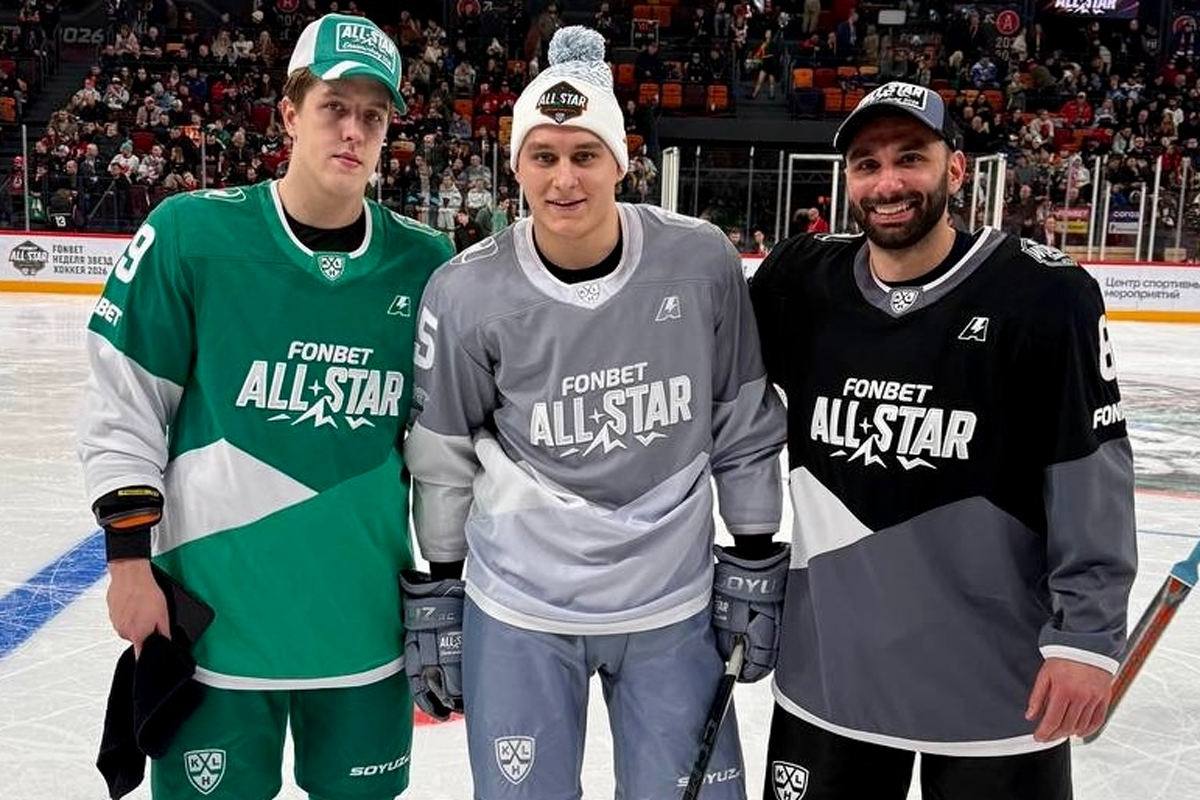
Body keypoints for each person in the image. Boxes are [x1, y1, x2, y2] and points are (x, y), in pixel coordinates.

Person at [402, 26, 788, 800]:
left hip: (673, 602)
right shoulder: (466, 288)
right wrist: (441, 586)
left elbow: (740, 417)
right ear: (516, 166)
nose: (564, 178)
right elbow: (443, 455)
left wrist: (752, 551)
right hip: (519, 605)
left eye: (585, 154)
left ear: (621, 160)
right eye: (543, 156)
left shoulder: (700, 259)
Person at [78, 14, 453, 800]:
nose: (353, 131)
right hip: (219, 629)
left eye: (373, 116)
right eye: (333, 107)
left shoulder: (426, 263)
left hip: (362, 627)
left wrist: (456, 579)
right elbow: (124, 403)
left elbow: (445, 446)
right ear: (289, 113)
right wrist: (128, 562)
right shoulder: (191, 235)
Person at [748, 82, 1138, 800]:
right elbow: (717, 395)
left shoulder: (1044, 297)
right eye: (867, 164)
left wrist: (1087, 634)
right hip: (832, 676)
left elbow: (1091, 469)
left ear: (955, 169)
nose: (887, 184)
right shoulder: (799, 282)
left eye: (911, 158)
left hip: (994, 683)